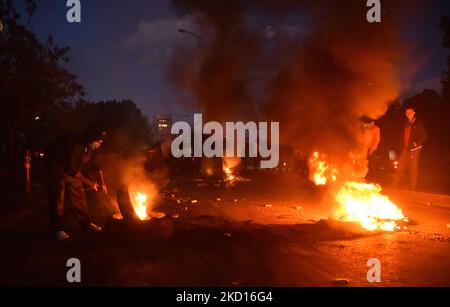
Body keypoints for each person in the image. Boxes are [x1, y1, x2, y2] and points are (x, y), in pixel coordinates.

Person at [45, 124, 108, 240]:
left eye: (101, 142)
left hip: (72, 168)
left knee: (78, 194)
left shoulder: (93, 148)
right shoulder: (76, 143)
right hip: (56, 166)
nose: (99, 144)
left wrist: (102, 183)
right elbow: (71, 168)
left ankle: (86, 223)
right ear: (90, 137)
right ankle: (57, 229)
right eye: (97, 141)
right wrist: (90, 183)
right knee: (58, 196)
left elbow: (96, 165)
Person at [393, 107, 427, 190]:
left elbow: (424, 137)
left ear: (414, 112)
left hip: (415, 149)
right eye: (406, 112)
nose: (408, 114)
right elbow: (403, 136)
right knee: (401, 166)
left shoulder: (418, 123)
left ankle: (412, 186)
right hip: (406, 148)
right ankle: (394, 184)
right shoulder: (406, 124)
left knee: (413, 167)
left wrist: (415, 143)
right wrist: (401, 146)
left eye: (410, 112)